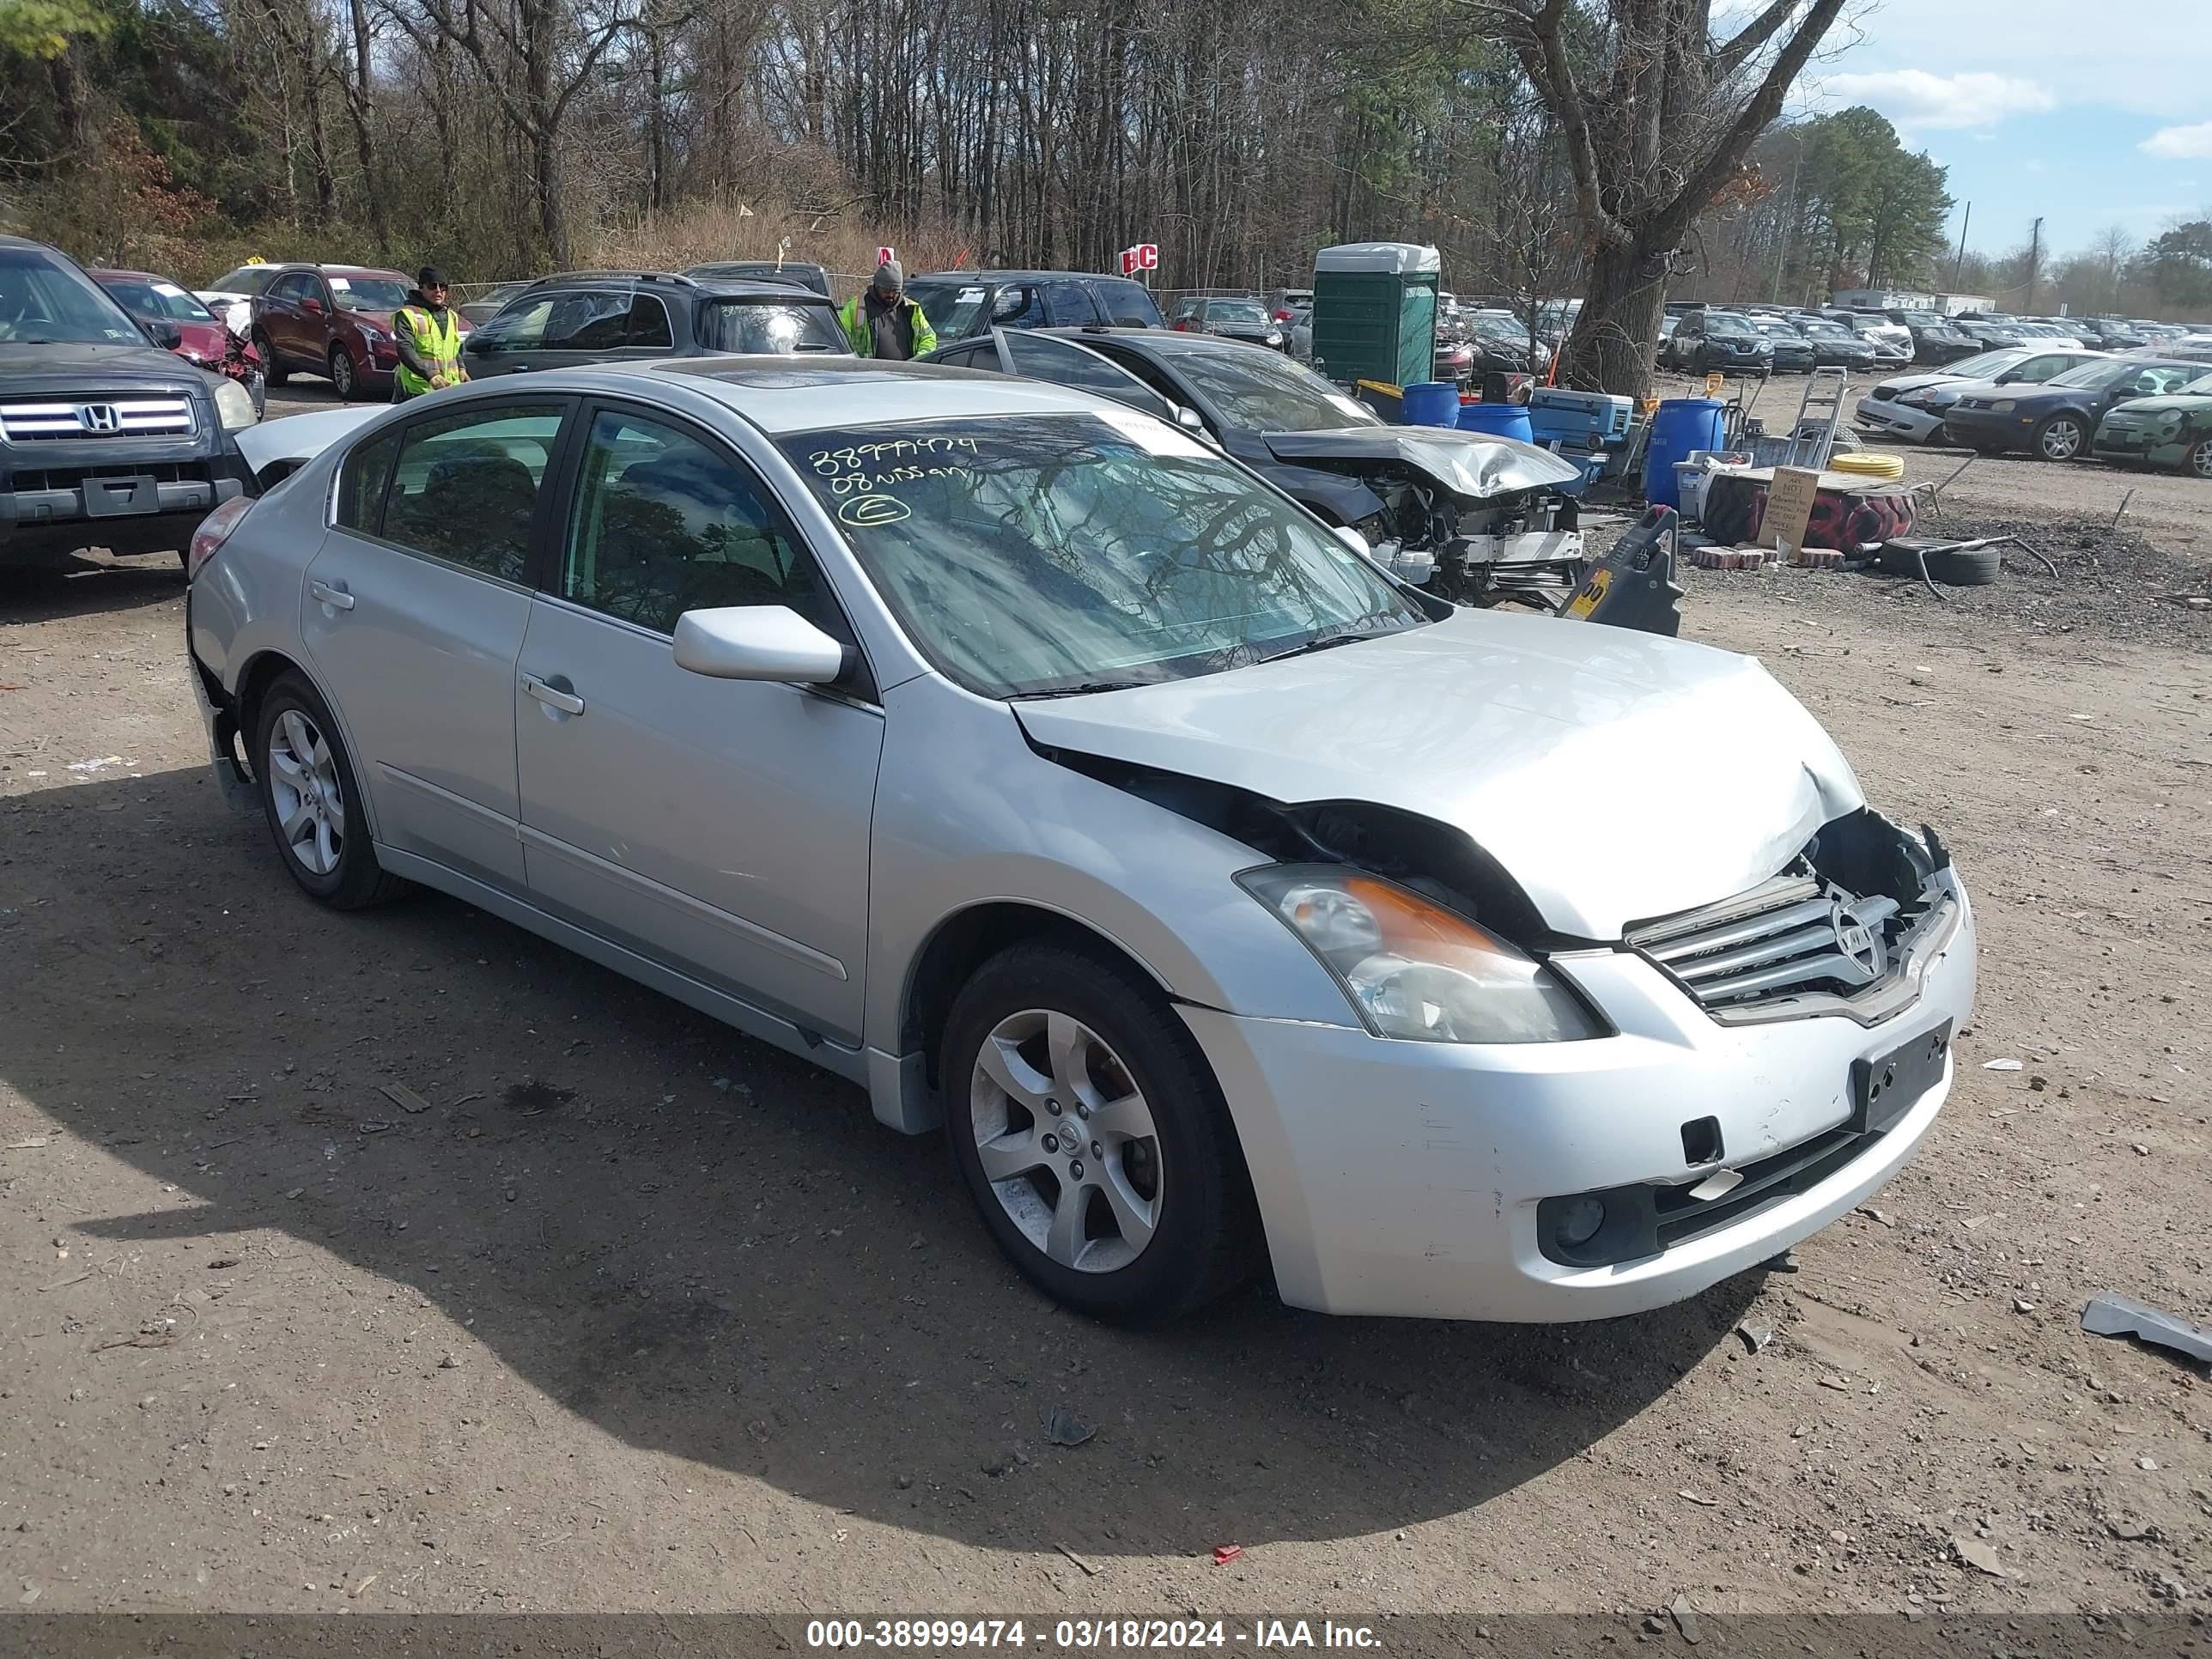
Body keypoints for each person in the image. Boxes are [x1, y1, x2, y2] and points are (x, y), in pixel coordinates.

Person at [392, 266, 466, 401]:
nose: (438, 291)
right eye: (433, 286)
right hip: (418, 391)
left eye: (443, 287)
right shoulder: (408, 315)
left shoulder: (451, 316)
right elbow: (404, 349)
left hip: (448, 389)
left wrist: (461, 368)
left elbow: (454, 349)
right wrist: (430, 375)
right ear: (421, 288)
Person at [838, 259, 937, 360]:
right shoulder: (856, 308)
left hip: (906, 373)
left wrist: (918, 359)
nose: (890, 295)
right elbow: (840, 340)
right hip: (869, 373)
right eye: (886, 291)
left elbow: (928, 337)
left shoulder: (911, 309)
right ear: (876, 286)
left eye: (895, 291)